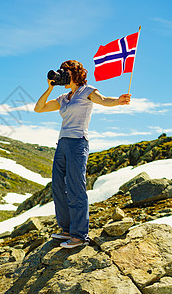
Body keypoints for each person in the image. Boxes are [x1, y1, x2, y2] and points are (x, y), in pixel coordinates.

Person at [34, 60, 131, 248]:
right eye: (61, 71)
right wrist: (50, 88)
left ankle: (79, 235)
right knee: (57, 186)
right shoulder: (63, 98)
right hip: (62, 143)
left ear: (75, 74)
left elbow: (103, 100)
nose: (62, 74)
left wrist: (118, 101)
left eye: (65, 71)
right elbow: (39, 108)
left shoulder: (87, 91)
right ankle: (67, 229)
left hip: (78, 142)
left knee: (75, 187)